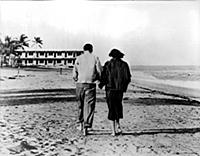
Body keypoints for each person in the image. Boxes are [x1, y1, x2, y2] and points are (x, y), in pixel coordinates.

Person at [99, 49, 131, 136]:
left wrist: (101, 84)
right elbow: (127, 78)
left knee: (111, 108)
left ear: (111, 55)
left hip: (110, 89)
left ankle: (113, 131)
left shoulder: (108, 64)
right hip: (119, 90)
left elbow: (104, 77)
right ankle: (118, 125)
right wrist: (123, 88)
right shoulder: (124, 65)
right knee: (118, 106)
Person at [73, 43, 102, 136]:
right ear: (91, 50)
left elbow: (74, 73)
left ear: (83, 49)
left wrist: (76, 78)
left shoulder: (79, 58)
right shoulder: (95, 58)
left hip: (80, 83)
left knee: (80, 104)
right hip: (90, 84)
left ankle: (80, 124)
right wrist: (98, 78)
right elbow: (99, 71)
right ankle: (86, 126)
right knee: (89, 105)